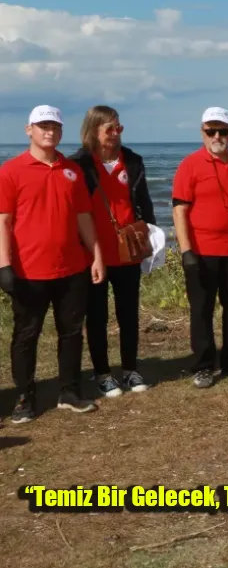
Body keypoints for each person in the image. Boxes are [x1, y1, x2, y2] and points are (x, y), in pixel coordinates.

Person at [0, 105, 106, 423]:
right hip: (28, 270)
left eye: (55, 127)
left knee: (72, 332)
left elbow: (84, 217)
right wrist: (4, 265)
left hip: (71, 267)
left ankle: (69, 391)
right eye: (43, 126)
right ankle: (24, 395)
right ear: (29, 129)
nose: (50, 131)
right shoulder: (11, 171)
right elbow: (3, 221)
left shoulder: (72, 171)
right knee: (26, 334)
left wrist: (96, 255)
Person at [70, 105, 157, 397]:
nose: (115, 134)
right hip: (93, 254)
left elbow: (143, 203)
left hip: (127, 250)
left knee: (128, 313)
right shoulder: (79, 164)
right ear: (93, 130)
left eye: (119, 128)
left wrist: (151, 237)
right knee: (96, 316)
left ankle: (131, 369)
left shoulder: (132, 160)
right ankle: (103, 373)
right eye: (109, 129)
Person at [172, 107, 228, 388]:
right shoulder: (190, 164)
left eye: (222, 131)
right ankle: (203, 366)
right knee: (202, 310)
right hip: (202, 251)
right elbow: (179, 210)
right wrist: (187, 251)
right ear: (202, 133)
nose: (217, 136)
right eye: (211, 131)